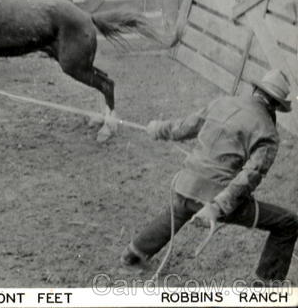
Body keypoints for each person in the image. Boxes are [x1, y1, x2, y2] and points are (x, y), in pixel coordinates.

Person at [121, 69, 297, 282]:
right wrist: (216, 207)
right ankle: (265, 286)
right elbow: (248, 178)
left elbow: (183, 127)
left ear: (256, 89)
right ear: (277, 105)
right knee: (288, 223)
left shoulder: (222, 103)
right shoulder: (269, 132)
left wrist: (158, 128)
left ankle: (134, 254)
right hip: (212, 200)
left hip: (184, 185)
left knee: (180, 208)